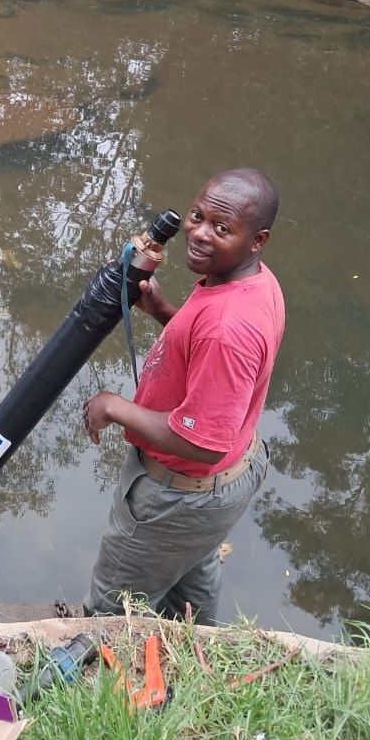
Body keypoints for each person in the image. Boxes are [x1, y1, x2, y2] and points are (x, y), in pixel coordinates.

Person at [82, 168, 285, 626]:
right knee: (189, 599)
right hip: (225, 478)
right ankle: (199, 662)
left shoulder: (227, 329)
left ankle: (105, 684)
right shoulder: (254, 282)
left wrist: (116, 407)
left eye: (222, 228)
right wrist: (164, 313)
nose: (199, 233)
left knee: (112, 617)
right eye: (198, 215)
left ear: (258, 240)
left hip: (180, 493)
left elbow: (202, 441)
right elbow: (210, 356)